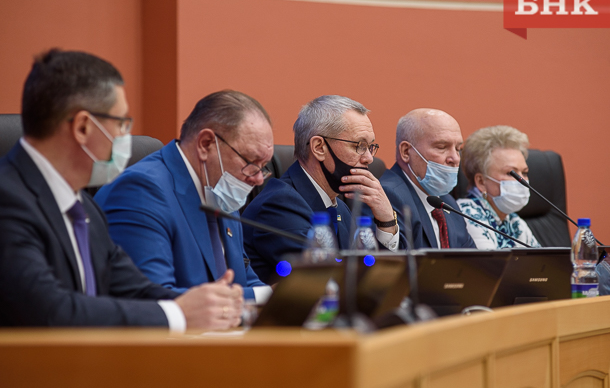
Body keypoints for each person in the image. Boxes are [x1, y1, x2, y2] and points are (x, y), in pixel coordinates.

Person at [0, 49, 243, 330]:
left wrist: (205, 304)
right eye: (122, 123)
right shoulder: (8, 200)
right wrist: (178, 315)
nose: (125, 136)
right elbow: (51, 311)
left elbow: (134, 289)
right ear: (82, 127)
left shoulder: (84, 208)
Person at [95, 90, 272, 303]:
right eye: (251, 162)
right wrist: (266, 296)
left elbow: (244, 281)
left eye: (264, 166)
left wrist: (282, 297)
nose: (258, 179)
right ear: (206, 144)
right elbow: (153, 298)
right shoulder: (140, 190)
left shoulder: (221, 191)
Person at [242, 95, 399, 283]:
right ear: (319, 147)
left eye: (370, 146)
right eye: (359, 146)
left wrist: (386, 220)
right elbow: (325, 281)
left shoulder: (340, 208)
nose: (369, 158)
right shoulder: (279, 205)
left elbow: (381, 274)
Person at [380, 108, 476, 249]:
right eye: (442, 147)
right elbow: (392, 260)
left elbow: (472, 259)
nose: (455, 159)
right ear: (406, 152)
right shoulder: (387, 196)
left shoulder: (448, 202)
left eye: (457, 148)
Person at [456, 125, 541, 249]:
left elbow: (541, 260)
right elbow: (491, 261)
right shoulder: (467, 213)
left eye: (524, 173)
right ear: (481, 182)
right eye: (510, 173)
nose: (522, 180)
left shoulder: (514, 221)